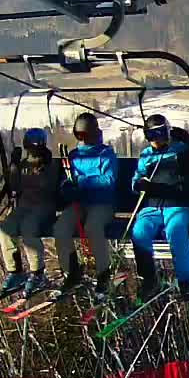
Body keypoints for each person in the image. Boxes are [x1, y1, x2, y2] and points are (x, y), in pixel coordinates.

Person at [131, 113, 189, 303]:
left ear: (168, 132)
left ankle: (185, 281)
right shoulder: (147, 156)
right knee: (139, 231)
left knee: (176, 230)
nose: (156, 140)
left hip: (178, 205)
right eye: (151, 136)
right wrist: (138, 184)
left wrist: (157, 188)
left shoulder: (182, 152)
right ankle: (149, 278)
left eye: (160, 134)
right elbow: (137, 178)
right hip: (153, 207)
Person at [54, 112, 120, 300]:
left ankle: (103, 273)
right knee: (61, 227)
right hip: (80, 203)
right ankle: (72, 271)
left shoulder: (105, 154)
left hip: (102, 204)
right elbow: (66, 179)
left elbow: (108, 180)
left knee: (93, 227)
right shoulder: (73, 156)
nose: (82, 139)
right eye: (79, 136)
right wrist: (67, 187)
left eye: (84, 136)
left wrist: (82, 182)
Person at [0, 128, 62, 299]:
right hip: (24, 208)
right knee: (5, 229)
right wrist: (15, 166)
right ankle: (15, 272)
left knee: (28, 228)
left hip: (44, 208)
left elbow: (49, 186)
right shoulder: (24, 165)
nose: (33, 150)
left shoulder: (50, 164)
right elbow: (15, 187)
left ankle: (37, 273)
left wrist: (38, 171)